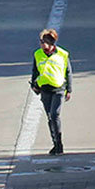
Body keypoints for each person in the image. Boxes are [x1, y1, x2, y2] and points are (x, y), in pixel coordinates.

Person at [30, 28, 73, 156]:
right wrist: (34, 84)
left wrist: (69, 89)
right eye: (41, 43)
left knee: (55, 115)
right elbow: (35, 71)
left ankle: (59, 143)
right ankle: (55, 143)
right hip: (45, 89)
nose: (43, 46)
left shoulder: (62, 54)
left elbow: (68, 72)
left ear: (51, 43)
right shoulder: (38, 54)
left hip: (58, 89)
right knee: (50, 117)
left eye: (45, 43)